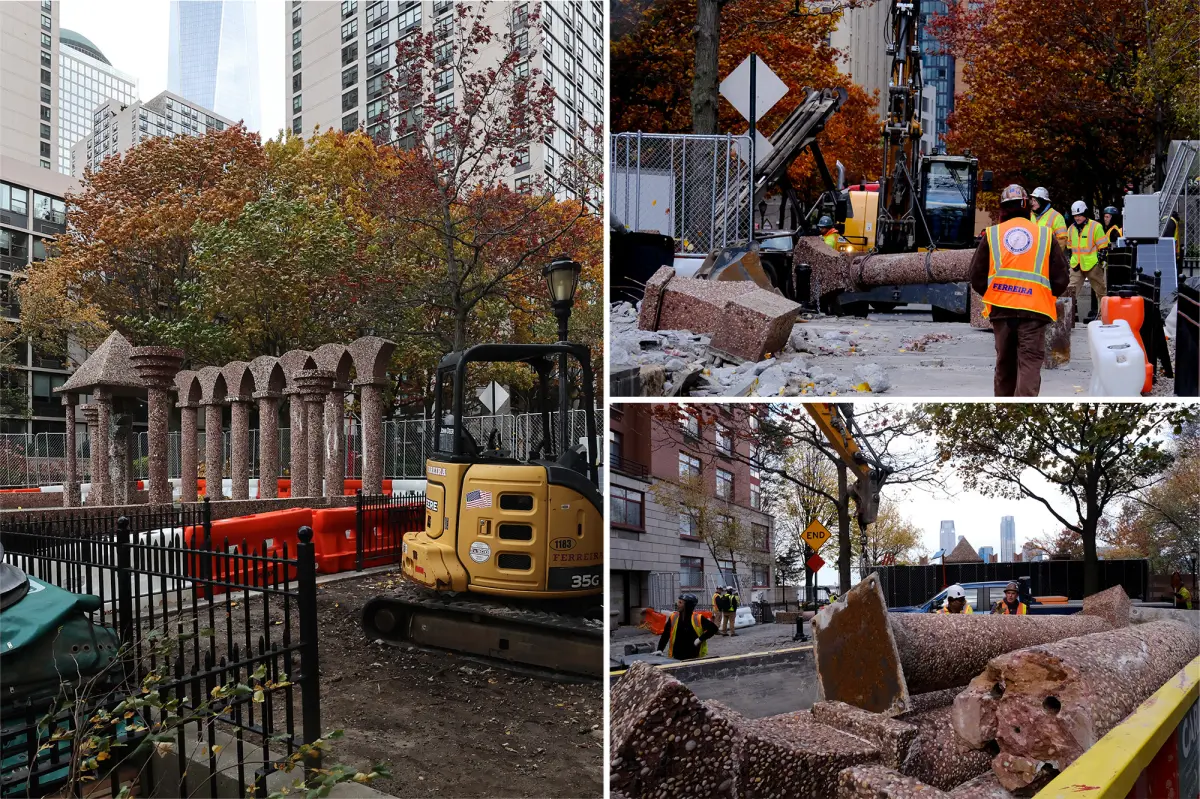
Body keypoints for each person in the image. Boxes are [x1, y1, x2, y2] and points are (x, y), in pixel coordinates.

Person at [969, 184, 1070, 396]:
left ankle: (1004, 413)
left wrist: (996, 294)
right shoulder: (1044, 235)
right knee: (1029, 365)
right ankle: (1023, 415)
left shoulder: (992, 234)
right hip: (1034, 312)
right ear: (1027, 207)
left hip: (1002, 311)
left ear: (1002, 209)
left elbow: (976, 276)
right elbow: (1061, 279)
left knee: (1004, 366)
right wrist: (1042, 295)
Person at [1067, 200, 1110, 321]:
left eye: (1079, 215)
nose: (1077, 218)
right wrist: (1071, 261)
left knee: (1101, 291)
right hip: (1077, 265)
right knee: (1071, 291)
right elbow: (1070, 247)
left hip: (1092, 264)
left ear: (1085, 214)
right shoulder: (1071, 229)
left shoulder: (1096, 227)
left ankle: (1103, 317)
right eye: (1075, 215)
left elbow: (1103, 246)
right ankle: (1067, 318)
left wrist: (1099, 261)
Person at [655, 593, 719, 660]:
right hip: (676, 656)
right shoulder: (673, 617)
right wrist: (660, 649)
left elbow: (714, 629)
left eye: (680, 602)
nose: (677, 604)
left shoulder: (697, 618)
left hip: (693, 657)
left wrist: (700, 639)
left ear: (688, 605)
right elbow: (666, 634)